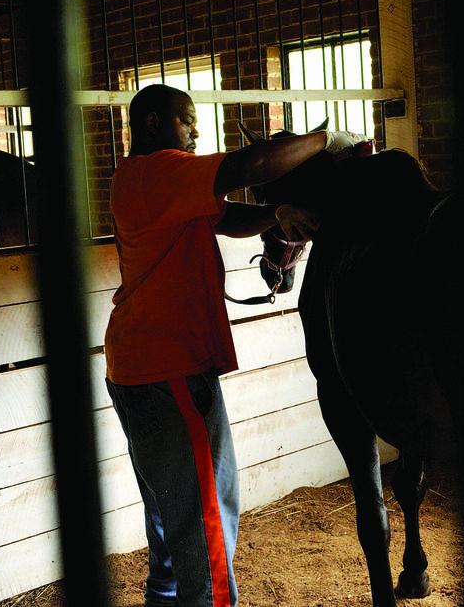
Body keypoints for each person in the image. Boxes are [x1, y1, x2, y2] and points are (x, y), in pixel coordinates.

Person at [104, 83, 362, 606]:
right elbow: (251, 167)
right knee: (207, 510)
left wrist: (278, 214)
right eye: (186, 119)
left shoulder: (148, 183)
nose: (196, 130)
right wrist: (324, 138)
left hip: (144, 364)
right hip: (169, 365)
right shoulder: (159, 171)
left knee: (170, 504)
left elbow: (228, 219)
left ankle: (166, 597)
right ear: (152, 123)